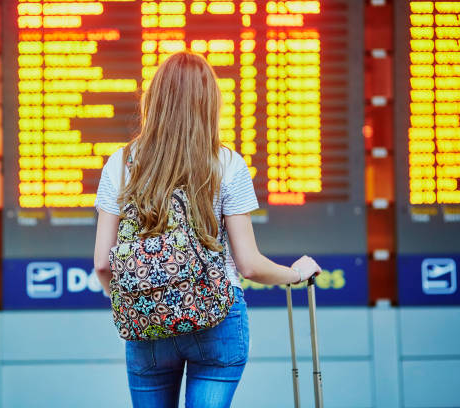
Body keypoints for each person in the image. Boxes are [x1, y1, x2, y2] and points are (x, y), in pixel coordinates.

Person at [93, 51, 322, 408]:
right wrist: (296, 274)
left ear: (153, 99)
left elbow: (103, 265)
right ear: (209, 103)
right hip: (216, 318)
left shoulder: (121, 163)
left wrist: (140, 302)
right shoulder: (227, 164)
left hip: (146, 326)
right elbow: (248, 265)